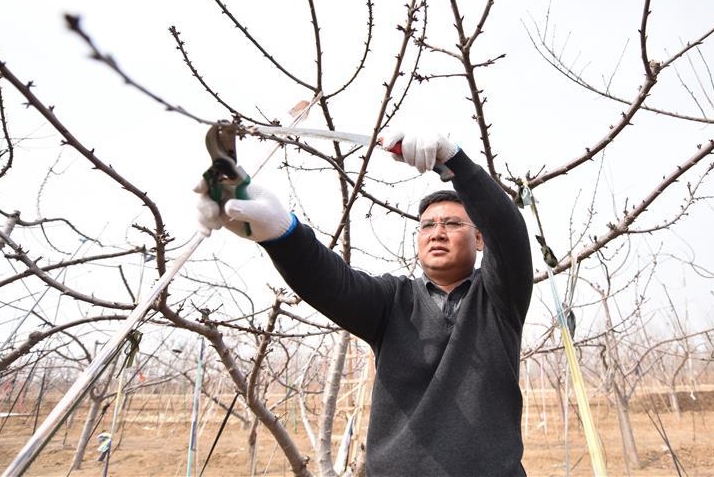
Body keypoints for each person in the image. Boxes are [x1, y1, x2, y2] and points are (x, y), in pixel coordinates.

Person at [196, 129, 533, 476]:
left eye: (451, 223)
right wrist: (282, 233)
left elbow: (508, 232)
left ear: (479, 238)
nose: (437, 232)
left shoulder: (498, 298)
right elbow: (332, 282)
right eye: (427, 225)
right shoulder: (393, 302)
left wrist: (457, 164)